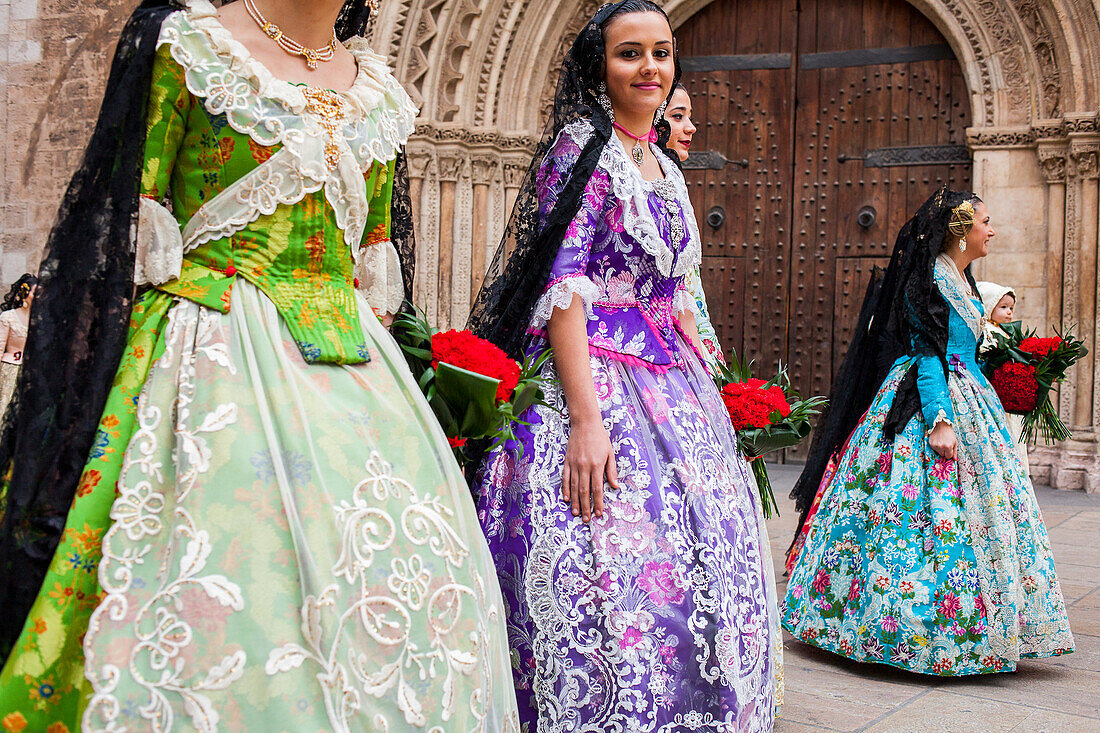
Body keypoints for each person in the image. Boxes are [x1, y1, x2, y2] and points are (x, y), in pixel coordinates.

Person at [0, 1, 519, 730]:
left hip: (361, 384)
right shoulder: (191, 49)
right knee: (234, 579)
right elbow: (132, 224)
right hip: (212, 352)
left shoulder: (378, 91)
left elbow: (372, 264)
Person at [467, 1, 781, 729]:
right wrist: (585, 418)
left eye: (662, 53)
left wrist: (710, 377)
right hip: (594, 377)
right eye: (629, 54)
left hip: (673, 384)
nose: (651, 69)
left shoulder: (663, 166)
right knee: (606, 555)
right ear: (598, 67)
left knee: (703, 547)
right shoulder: (580, 152)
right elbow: (564, 291)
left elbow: (670, 291)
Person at [783, 187, 1074, 675]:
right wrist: (939, 419)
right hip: (930, 399)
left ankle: (989, 620)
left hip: (969, 394)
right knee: (919, 513)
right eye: (985, 221)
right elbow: (927, 352)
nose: (993, 230)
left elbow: (966, 350)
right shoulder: (933, 279)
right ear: (961, 230)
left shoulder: (962, 279)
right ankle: (906, 626)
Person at [663, 83, 725, 369]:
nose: (691, 128)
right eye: (677, 116)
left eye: (690, 117)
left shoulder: (671, 176)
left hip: (691, 328)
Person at [976, 281, 1030, 474]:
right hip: (991, 394)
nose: (1009, 313)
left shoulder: (1007, 333)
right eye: (1004, 307)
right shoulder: (985, 332)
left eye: (1011, 308)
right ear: (989, 305)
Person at [0, 275, 36, 418]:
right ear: (25, 294)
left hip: (29, 372)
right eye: (35, 292)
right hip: (9, 370)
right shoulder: (8, 317)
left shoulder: (40, 321)